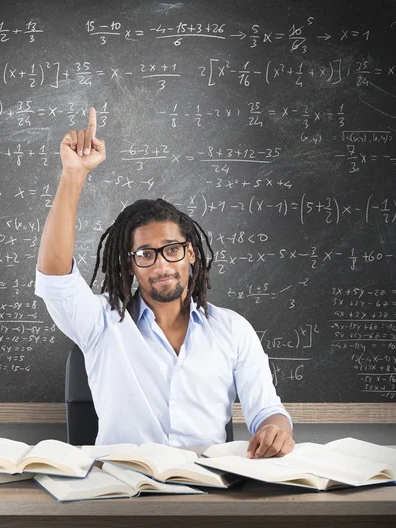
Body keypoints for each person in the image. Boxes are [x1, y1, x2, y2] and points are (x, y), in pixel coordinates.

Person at [35, 108, 295, 458]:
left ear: (190, 253)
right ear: (129, 264)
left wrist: (275, 430)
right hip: (123, 490)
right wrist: (73, 175)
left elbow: (267, 410)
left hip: (208, 490)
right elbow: (56, 279)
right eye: (145, 254)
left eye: (171, 249)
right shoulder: (102, 323)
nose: (161, 265)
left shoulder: (233, 331)